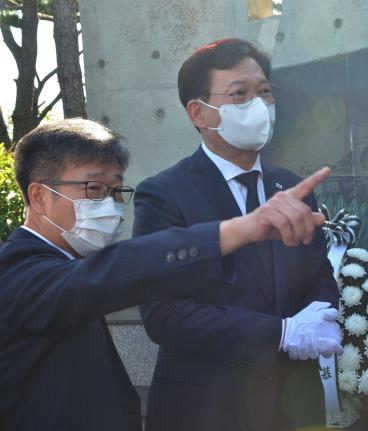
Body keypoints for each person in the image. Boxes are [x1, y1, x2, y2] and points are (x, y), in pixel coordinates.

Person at [0, 118, 337, 431]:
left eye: (116, 192)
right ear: (39, 197)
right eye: (95, 189)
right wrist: (238, 230)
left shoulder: (64, 264)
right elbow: (116, 269)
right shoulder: (15, 272)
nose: (110, 205)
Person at [133, 39, 341, 431]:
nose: (258, 105)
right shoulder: (163, 195)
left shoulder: (292, 186)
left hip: (292, 404)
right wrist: (280, 333)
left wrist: (319, 315)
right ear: (199, 112)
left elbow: (319, 273)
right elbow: (164, 314)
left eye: (264, 91)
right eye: (240, 94)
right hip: (206, 409)